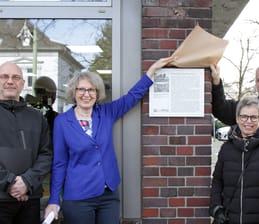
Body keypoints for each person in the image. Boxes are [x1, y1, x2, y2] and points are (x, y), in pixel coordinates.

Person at [44, 56, 175, 224]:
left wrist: (152, 71)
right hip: (78, 198)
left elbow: (132, 97)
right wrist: (54, 200)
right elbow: (60, 163)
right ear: (73, 92)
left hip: (108, 196)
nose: (86, 94)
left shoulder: (106, 113)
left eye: (91, 90)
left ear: (97, 94)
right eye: (81, 89)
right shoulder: (62, 122)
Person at [210, 96, 259, 224]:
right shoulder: (227, 148)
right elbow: (217, 181)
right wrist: (216, 208)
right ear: (237, 118)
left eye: (254, 117)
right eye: (244, 116)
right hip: (230, 219)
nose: (248, 121)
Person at [0, 62, 52, 224]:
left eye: (16, 77)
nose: (10, 81)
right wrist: (10, 183)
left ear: (23, 84)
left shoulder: (37, 117)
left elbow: (46, 154)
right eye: (4, 76)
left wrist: (27, 181)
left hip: (30, 200)